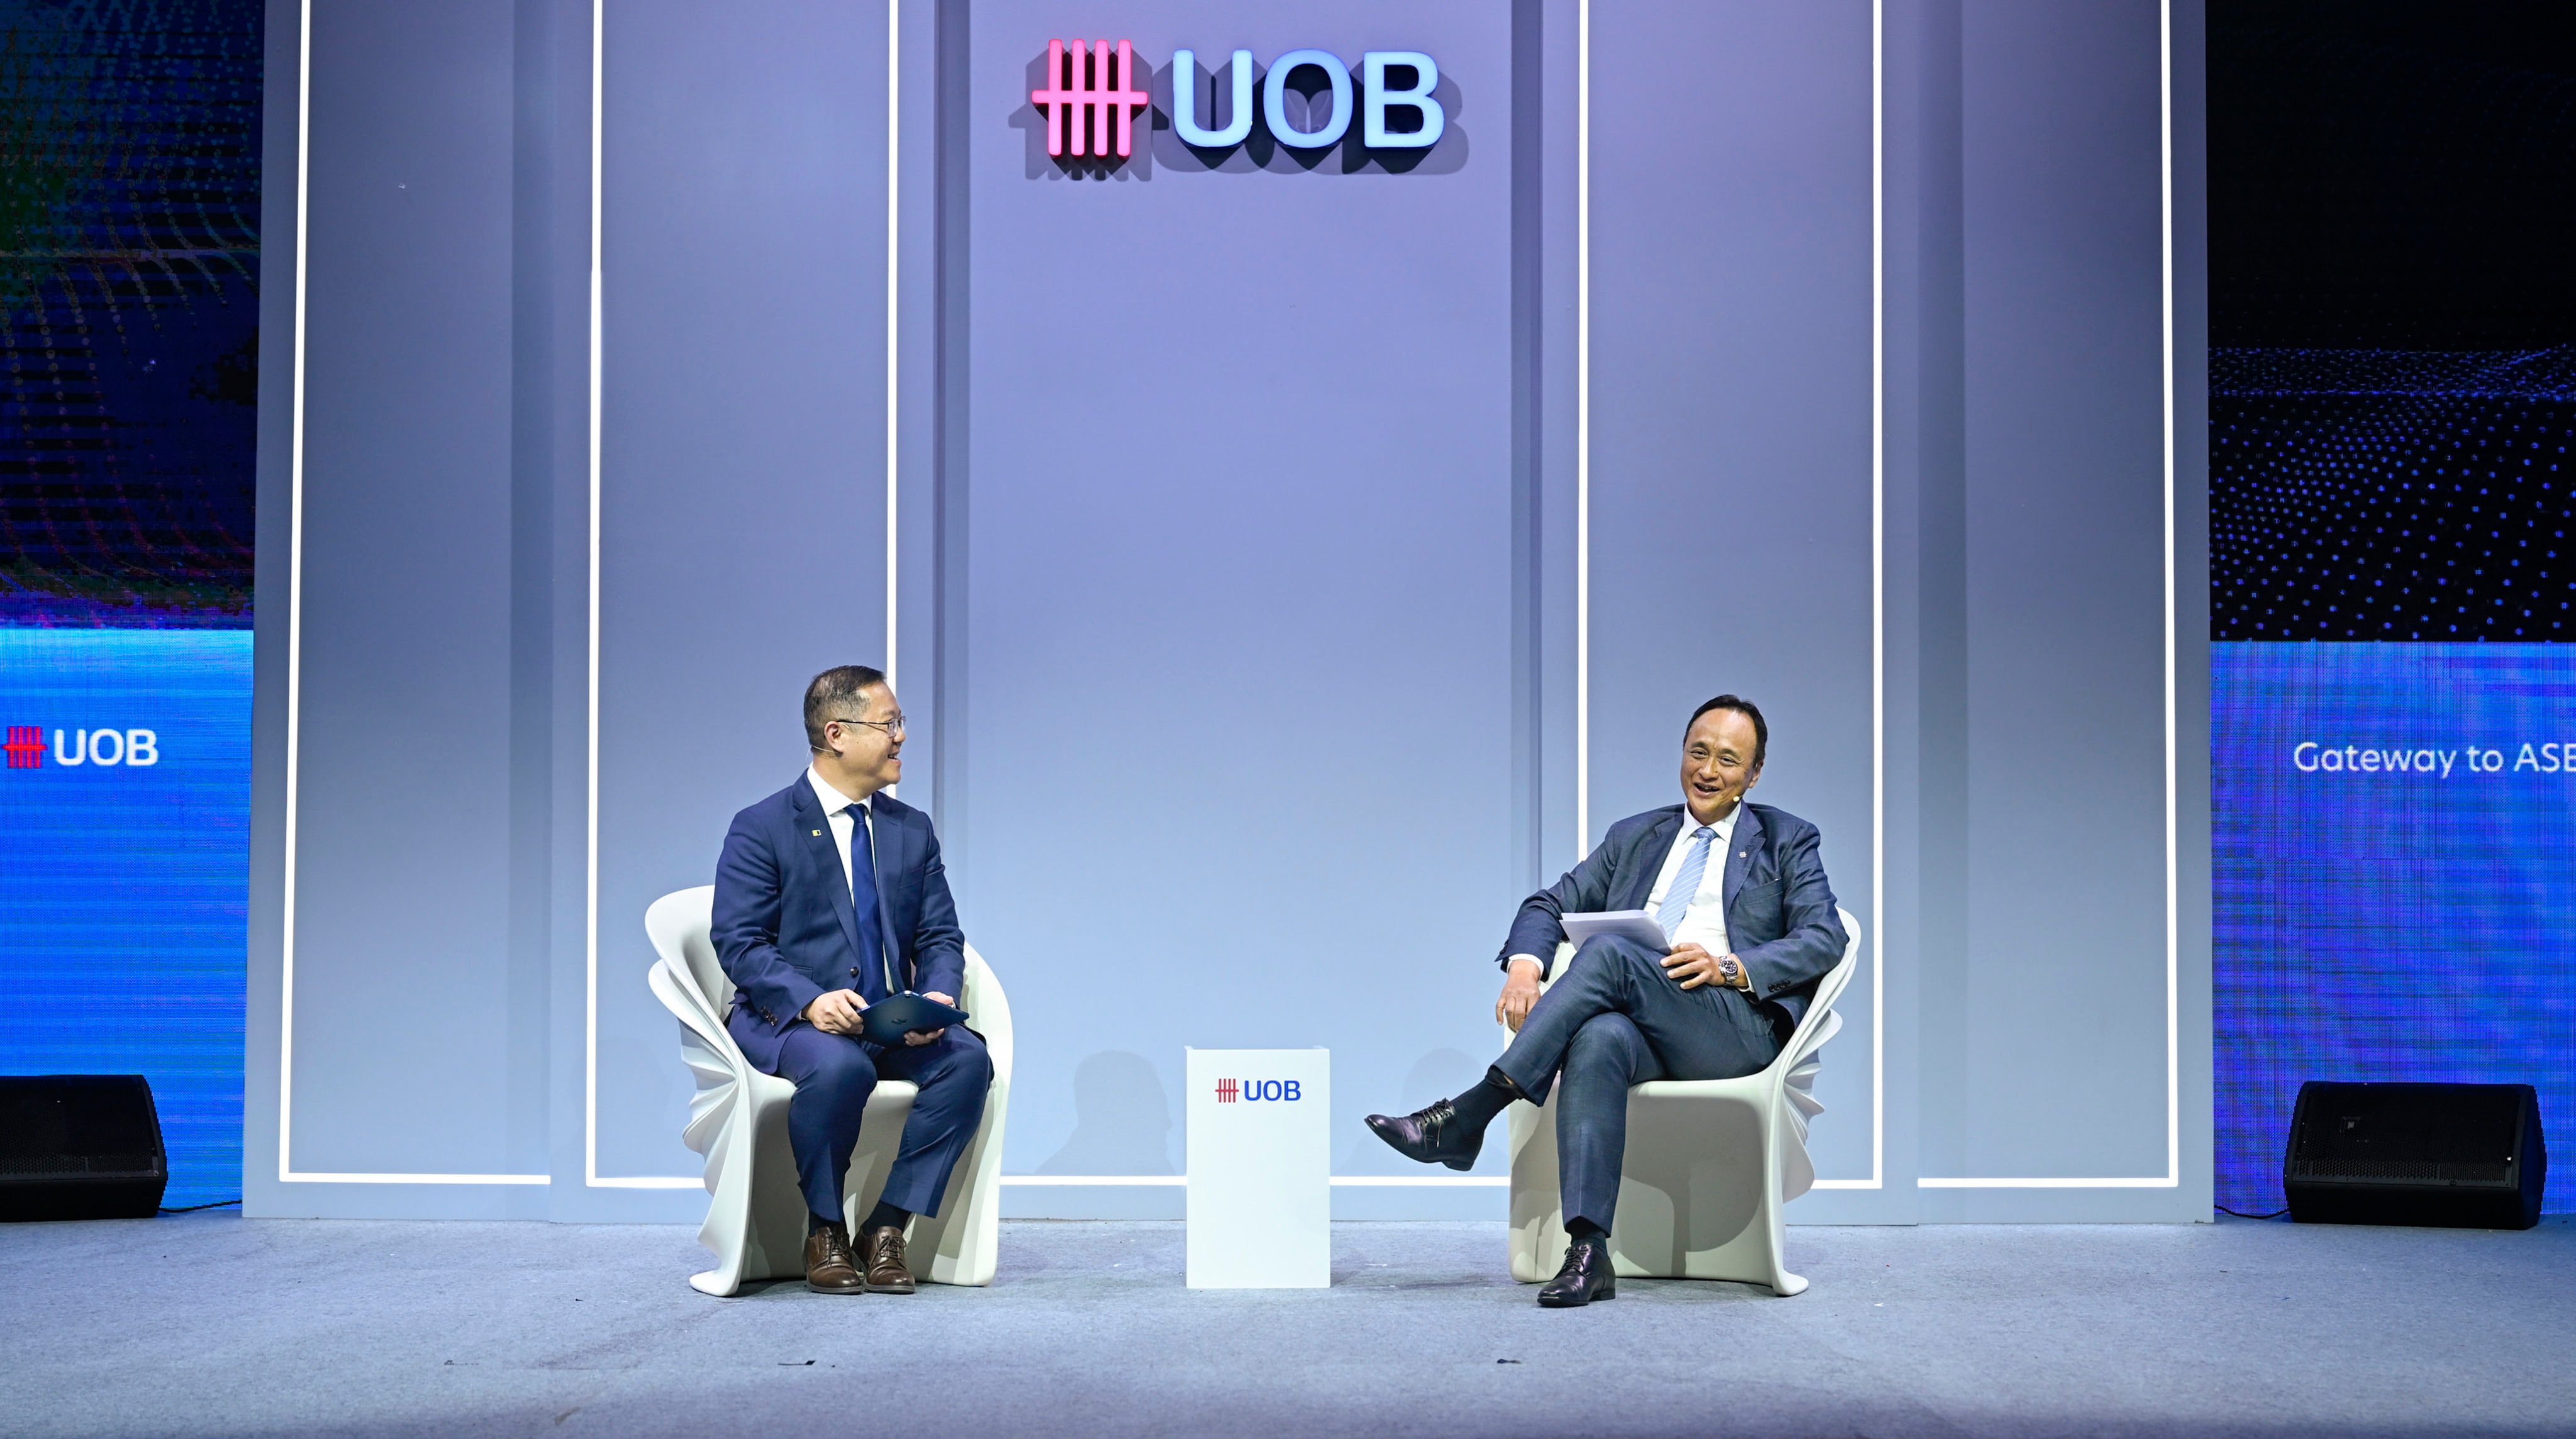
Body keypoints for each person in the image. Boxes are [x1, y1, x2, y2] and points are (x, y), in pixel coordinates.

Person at [1365, 694, 1846, 1307]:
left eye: (1729, 759)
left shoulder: (1787, 839)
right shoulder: (1637, 835)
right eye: (1698, 751)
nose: (1708, 769)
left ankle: (1470, 1113)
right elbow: (1549, 903)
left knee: (1611, 952)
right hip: (1650, 1021)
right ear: (1682, 753)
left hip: (1734, 1026)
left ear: (1752, 775)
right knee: (1598, 1037)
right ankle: (1589, 1251)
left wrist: (1730, 965)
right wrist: (1523, 967)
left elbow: (1823, 936)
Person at [711, 665, 991, 1294]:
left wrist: (938, 996)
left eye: (901, 724)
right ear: (837, 733)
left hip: (886, 1019)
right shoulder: (762, 826)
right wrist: (810, 999)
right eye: (889, 724)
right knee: (841, 1068)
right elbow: (739, 942)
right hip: (788, 1021)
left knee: (968, 1060)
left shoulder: (908, 828)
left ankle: (886, 1225)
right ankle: (825, 1227)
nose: (901, 737)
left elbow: (940, 936)